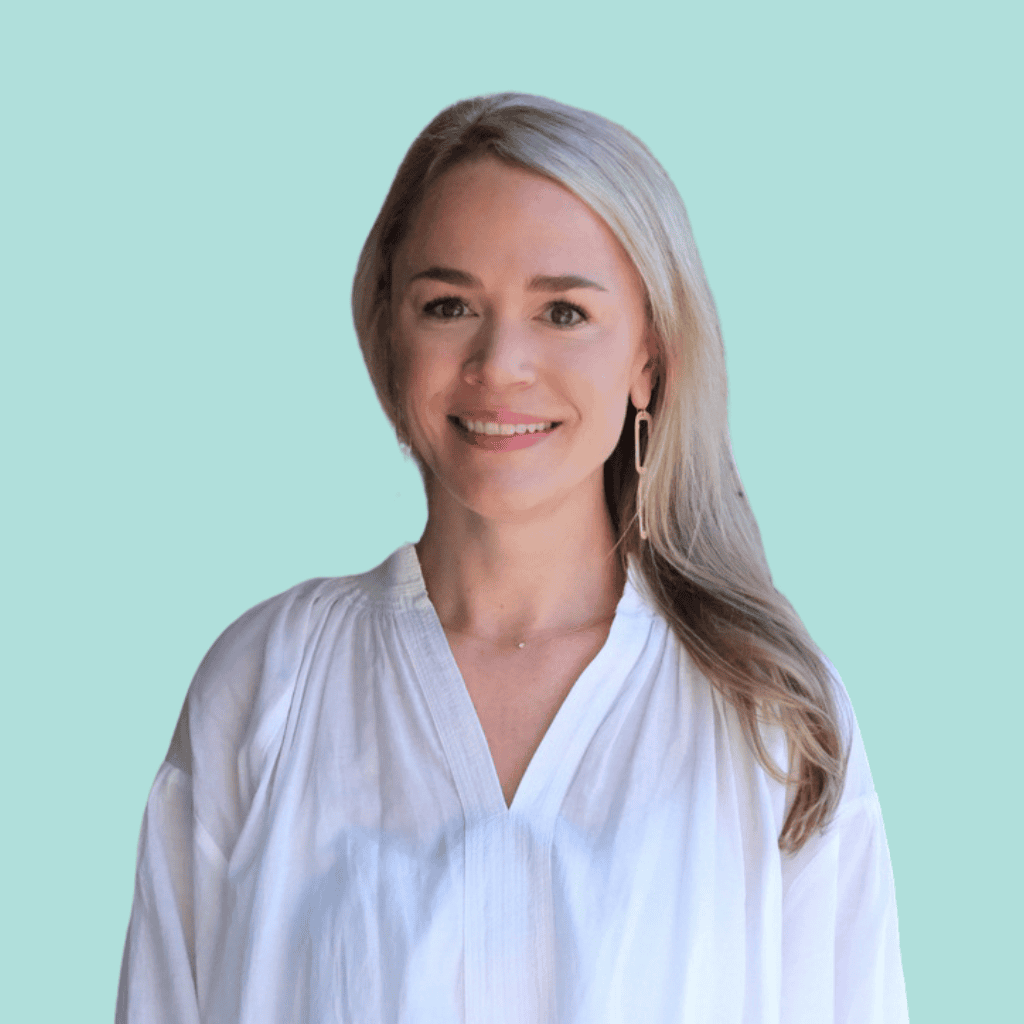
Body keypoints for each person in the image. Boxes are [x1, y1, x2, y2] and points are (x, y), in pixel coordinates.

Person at [116, 92, 908, 1023]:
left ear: (649, 358)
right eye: (449, 305)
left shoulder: (773, 719)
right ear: (389, 332)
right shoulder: (263, 688)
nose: (500, 364)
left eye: (564, 312)